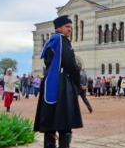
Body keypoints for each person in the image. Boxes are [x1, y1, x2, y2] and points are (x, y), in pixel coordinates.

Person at [34, 15, 83, 148]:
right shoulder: (61, 40)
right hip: (62, 85)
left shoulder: (51, 40)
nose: (70, 30)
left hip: (50, 81)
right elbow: (70, 64)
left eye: (71, 27)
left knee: (50, 120)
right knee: (65, 121)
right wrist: (78, 82)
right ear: (59, 28)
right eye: (67, 27)